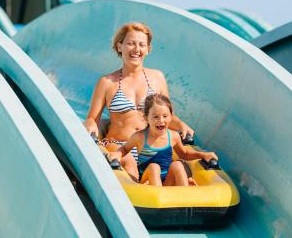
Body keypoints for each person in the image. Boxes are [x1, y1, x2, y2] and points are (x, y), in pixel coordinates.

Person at [84, 22, 194, 180]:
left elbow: (168, 116)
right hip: (120, 145)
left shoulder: (157, 78)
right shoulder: (107, 82)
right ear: (120, 46)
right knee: (129, 161)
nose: (136, 50)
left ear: (148, 49)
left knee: (173, 167)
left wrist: (182, 125)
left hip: (151, 146)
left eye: (142, 45)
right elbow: (92, 119)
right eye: (131, 43)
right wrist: (89, 124)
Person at [108, 94, 217, 186]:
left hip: (166, 182)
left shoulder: (173, 136)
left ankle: (185, 194)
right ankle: (158, 198)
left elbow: (184, 154)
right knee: (154, 167)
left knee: (177, 165)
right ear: (146, 118)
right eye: (155, 117)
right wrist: (117, 154)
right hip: (147, 180)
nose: (161, 120)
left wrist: (203, 155)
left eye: (165, 116)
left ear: (171, 117)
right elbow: (125, 149)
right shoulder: (140, 137)